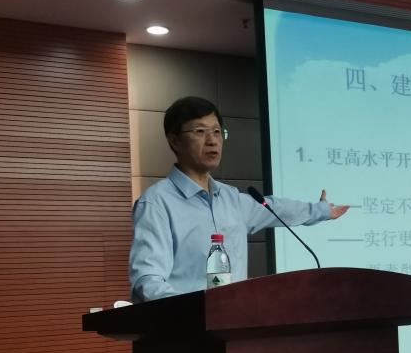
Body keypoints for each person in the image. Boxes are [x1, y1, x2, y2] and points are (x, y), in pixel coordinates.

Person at [129, 96, 348, 302]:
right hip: (187, 325)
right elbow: (148, 281)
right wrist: (194, 311)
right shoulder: (157, 203)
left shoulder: (230, 198)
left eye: (217, 132)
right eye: (200, 131)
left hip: (235, 321)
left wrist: (321, 211)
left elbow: (276, 208)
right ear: (175, 141)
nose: (212, 141)